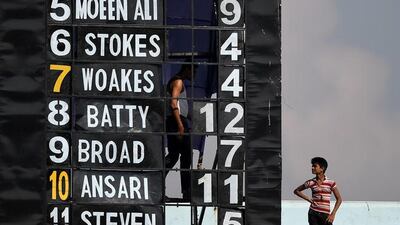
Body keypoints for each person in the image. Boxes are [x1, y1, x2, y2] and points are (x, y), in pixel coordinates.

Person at [165, 63, 196, 201]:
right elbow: (173, 103)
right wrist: (180, 125)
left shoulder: (176, 81)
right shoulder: (178, 82)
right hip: (177, 122)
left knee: (174, 156)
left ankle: (157, 184)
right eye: (193, 71)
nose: (194, 75)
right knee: (185, 157)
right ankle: (187, 192)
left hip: (176, 121)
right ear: (187, 69)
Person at [294, 157, 342, 225]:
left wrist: (333, 214)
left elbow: (339, 199)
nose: (312, 168)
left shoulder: (331, 183)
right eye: (312, 166)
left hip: (326, 215)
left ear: (322, 168)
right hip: (313, 213)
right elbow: (296, 191)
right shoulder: (310, 182)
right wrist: (308, 198)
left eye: (315, 166)